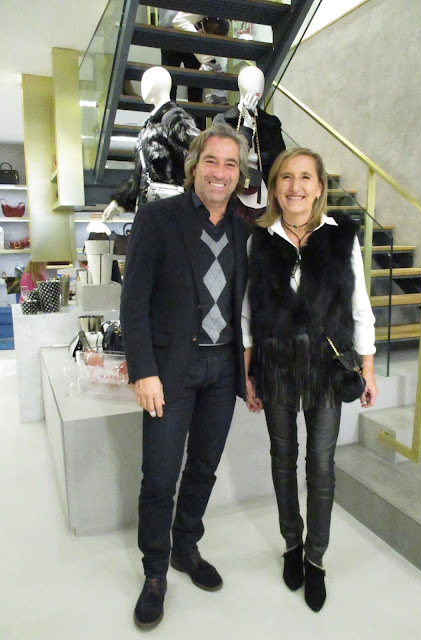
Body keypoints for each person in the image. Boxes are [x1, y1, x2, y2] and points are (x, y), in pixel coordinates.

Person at [120, 123, 251, 630]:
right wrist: (143, 371)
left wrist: (251, 369)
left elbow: (248, 308)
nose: (220, 172)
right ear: (194, 166)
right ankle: (155, 572)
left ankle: (185, 547)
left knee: (203, 467)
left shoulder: (244, 230)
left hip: (222, 370)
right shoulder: (158, 218)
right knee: (159, 477)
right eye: (211, 161)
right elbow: (133, 302)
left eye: (230, 164)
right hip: (170, 371)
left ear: (239, 175)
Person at [242, 147, 378, 612]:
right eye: (286, 176)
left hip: (326, 368)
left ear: (319, 187)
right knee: (283, 459)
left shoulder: (341, 238)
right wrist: (248, 373)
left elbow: (360, 308)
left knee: (321, 466)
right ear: (275, 186)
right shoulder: (259, 241)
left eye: (305, 177)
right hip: (276, 365)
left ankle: (316, 558)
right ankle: (291, 546)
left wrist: (368, 369)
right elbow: (248, 314)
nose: (295, 186)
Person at [103, 67, 199, 222]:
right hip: (152, 209)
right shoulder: (153, 123)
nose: (143, 86)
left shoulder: (175, 119)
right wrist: (120, 201)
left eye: (147, 81)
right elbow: (143, 173)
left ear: (161, 84)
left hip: (171, 212)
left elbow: (198, 159)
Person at [214, 66, 285, 223]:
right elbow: (224, 157)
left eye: (260, 82)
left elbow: (281, 158)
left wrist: (257, 158)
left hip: (263, 192)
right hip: (231, 192)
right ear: (240, 84)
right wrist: (246, 124)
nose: (256, 86)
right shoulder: (223, 121)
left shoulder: (271, 123)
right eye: (251, 81)